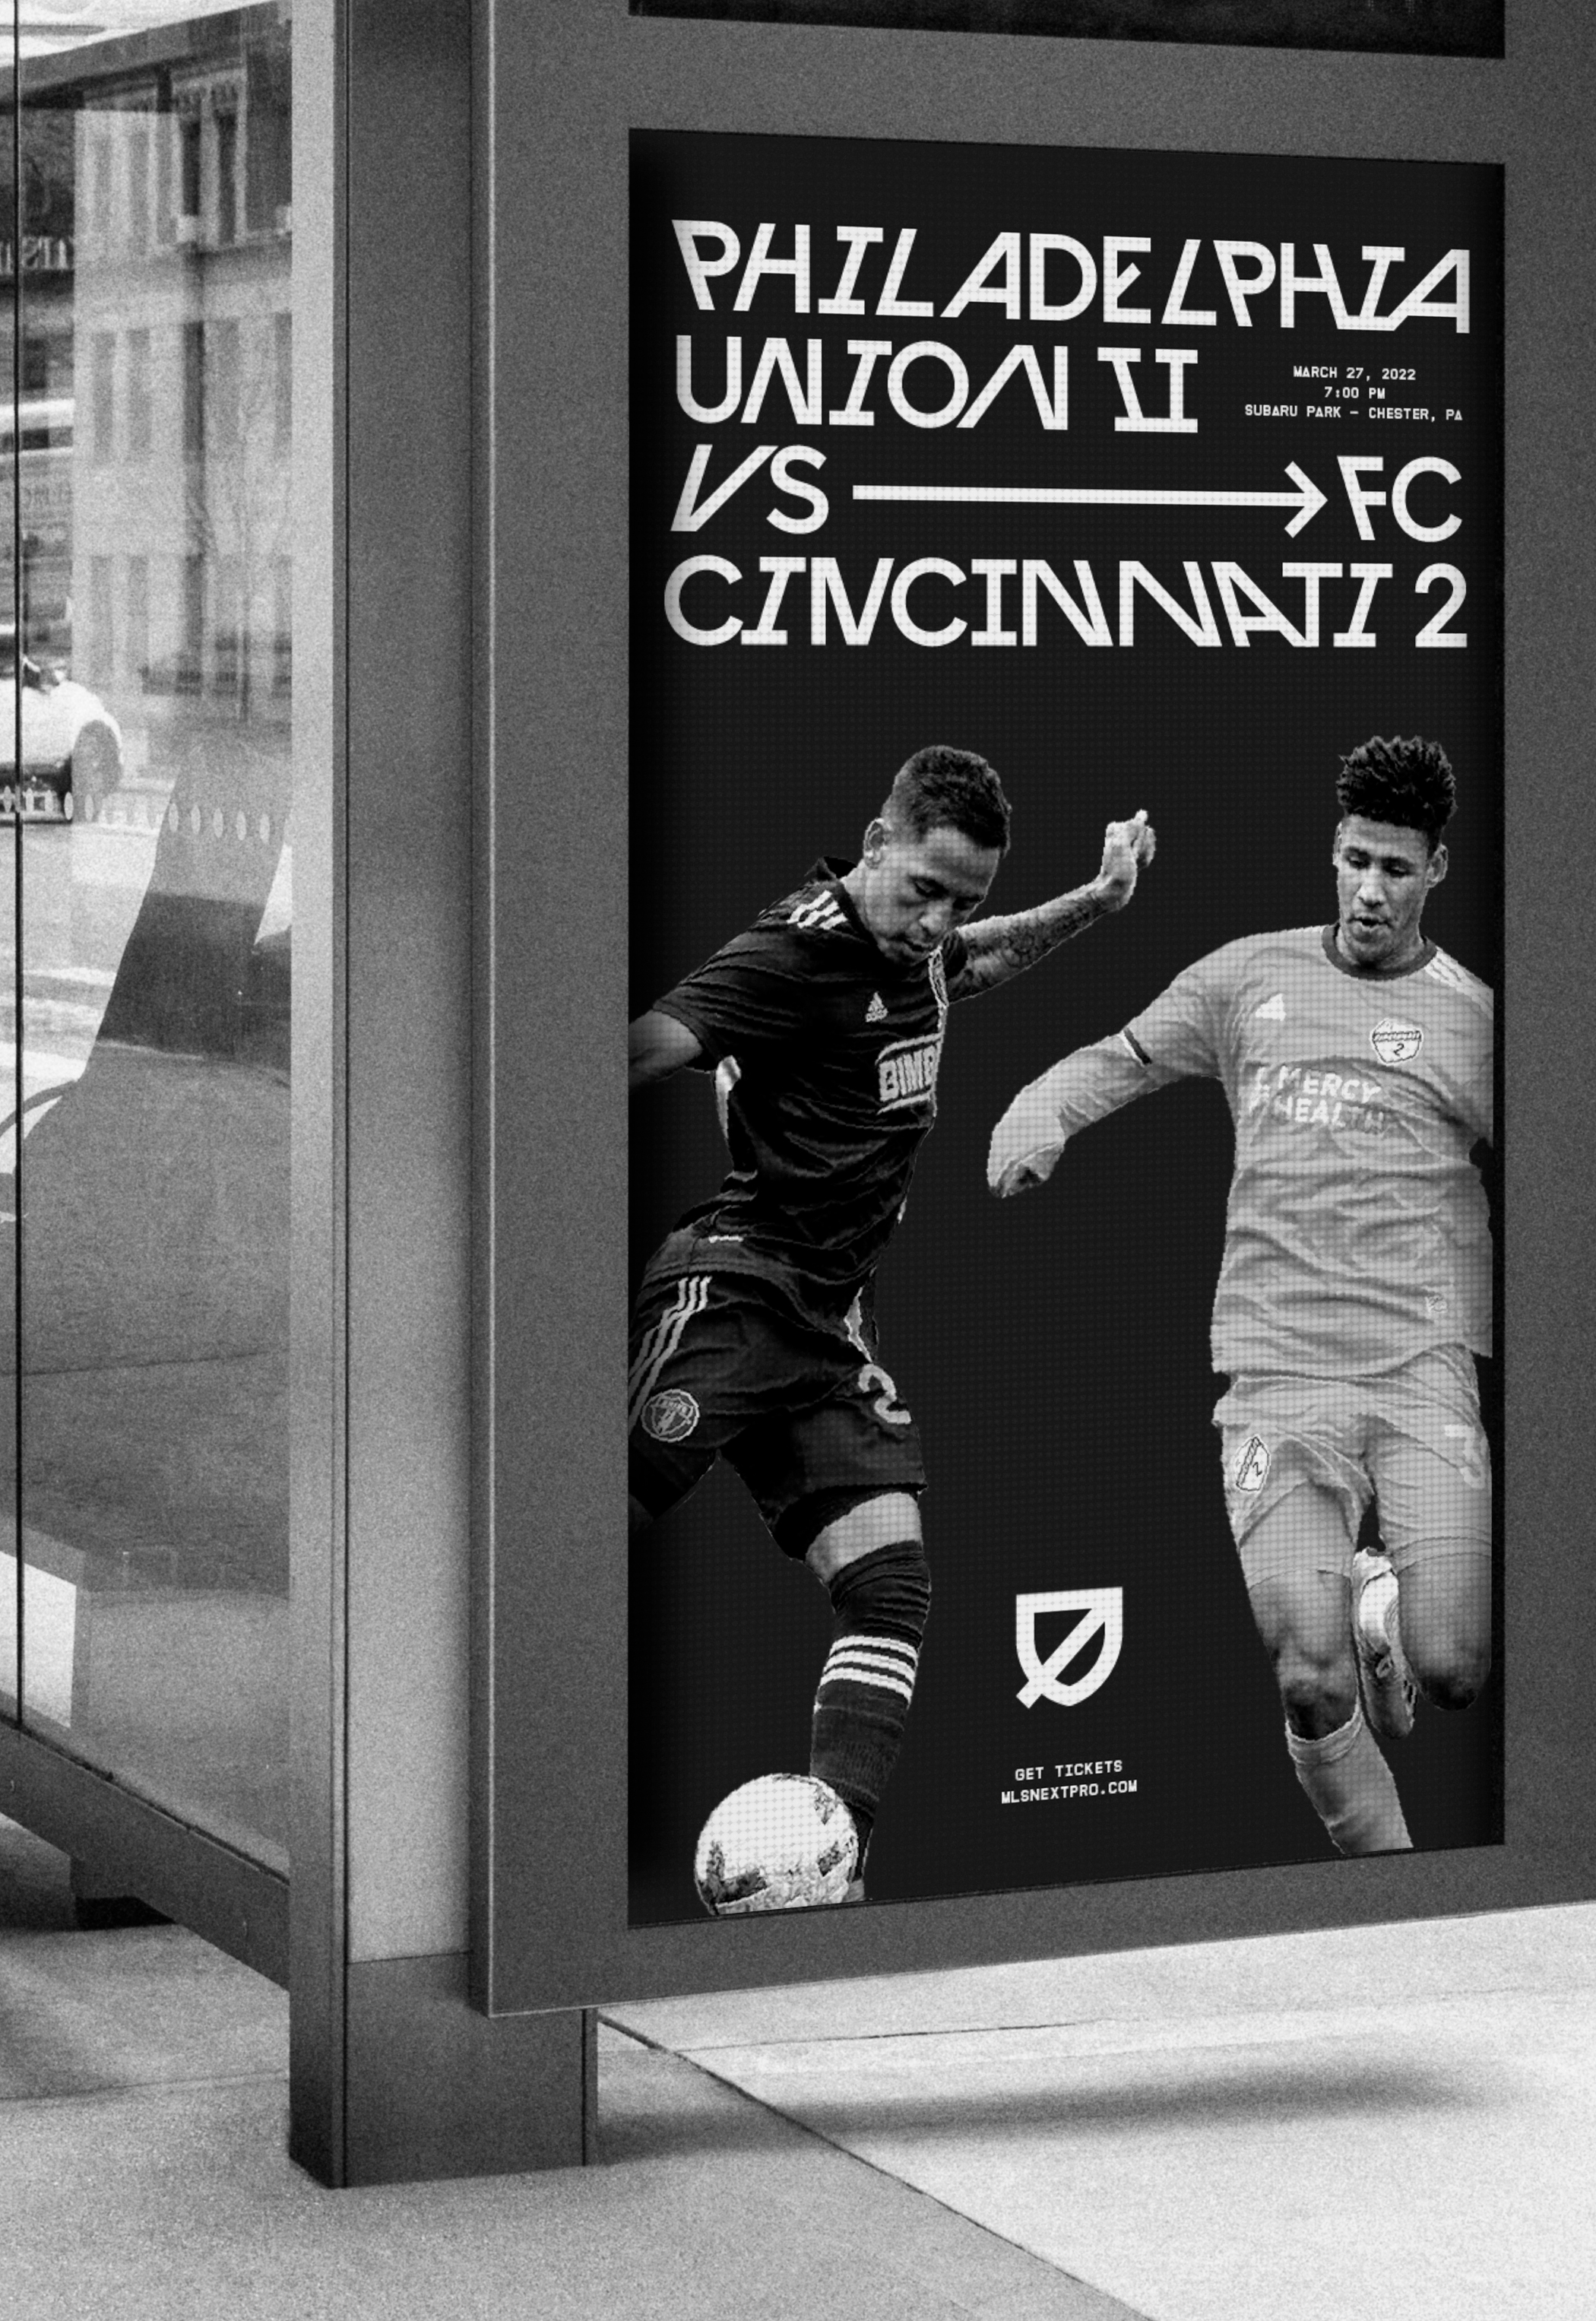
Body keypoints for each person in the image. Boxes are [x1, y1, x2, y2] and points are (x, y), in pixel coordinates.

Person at [629, 745, 1155, 1904]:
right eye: (922, 890)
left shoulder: (908, 949)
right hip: (735, 1290)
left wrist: (1099, 901)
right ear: (874, 844)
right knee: (573, 1540)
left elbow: (966, 962)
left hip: (823, 1327)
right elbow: (638, 1049)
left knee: (891, 1584)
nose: (936, 922)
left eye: (957, 899)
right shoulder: (791, 953)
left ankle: (830, 1867)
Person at [986, 734, 1492, 1859]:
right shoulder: (1244, 976)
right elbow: (1119, 1055)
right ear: (1331, 851)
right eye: (1355, 860)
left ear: (1434, 872)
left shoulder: (1473, 1018)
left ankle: (1386, 1614)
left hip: (1419, 1374)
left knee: (1453, 1669)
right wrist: (1042, 1109)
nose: (1370, 890)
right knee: (1310, 1681)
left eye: (1396, 870)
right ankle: (1390, 1889)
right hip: (1273, 1382)